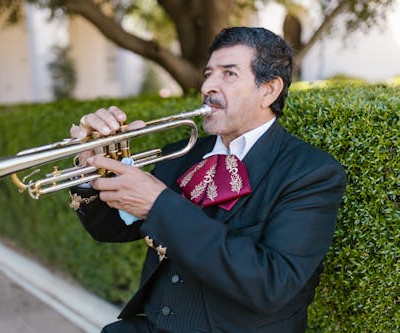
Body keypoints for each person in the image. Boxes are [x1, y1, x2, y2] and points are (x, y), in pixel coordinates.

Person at [68, 26, 347, 333]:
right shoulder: (179, 155)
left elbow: (271, 283)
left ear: (269, 90)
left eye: (228, 74)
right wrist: (90, 166)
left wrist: (159, 205)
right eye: (208, 73)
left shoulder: (311, 173)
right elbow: (111, 228)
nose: (208, 86)